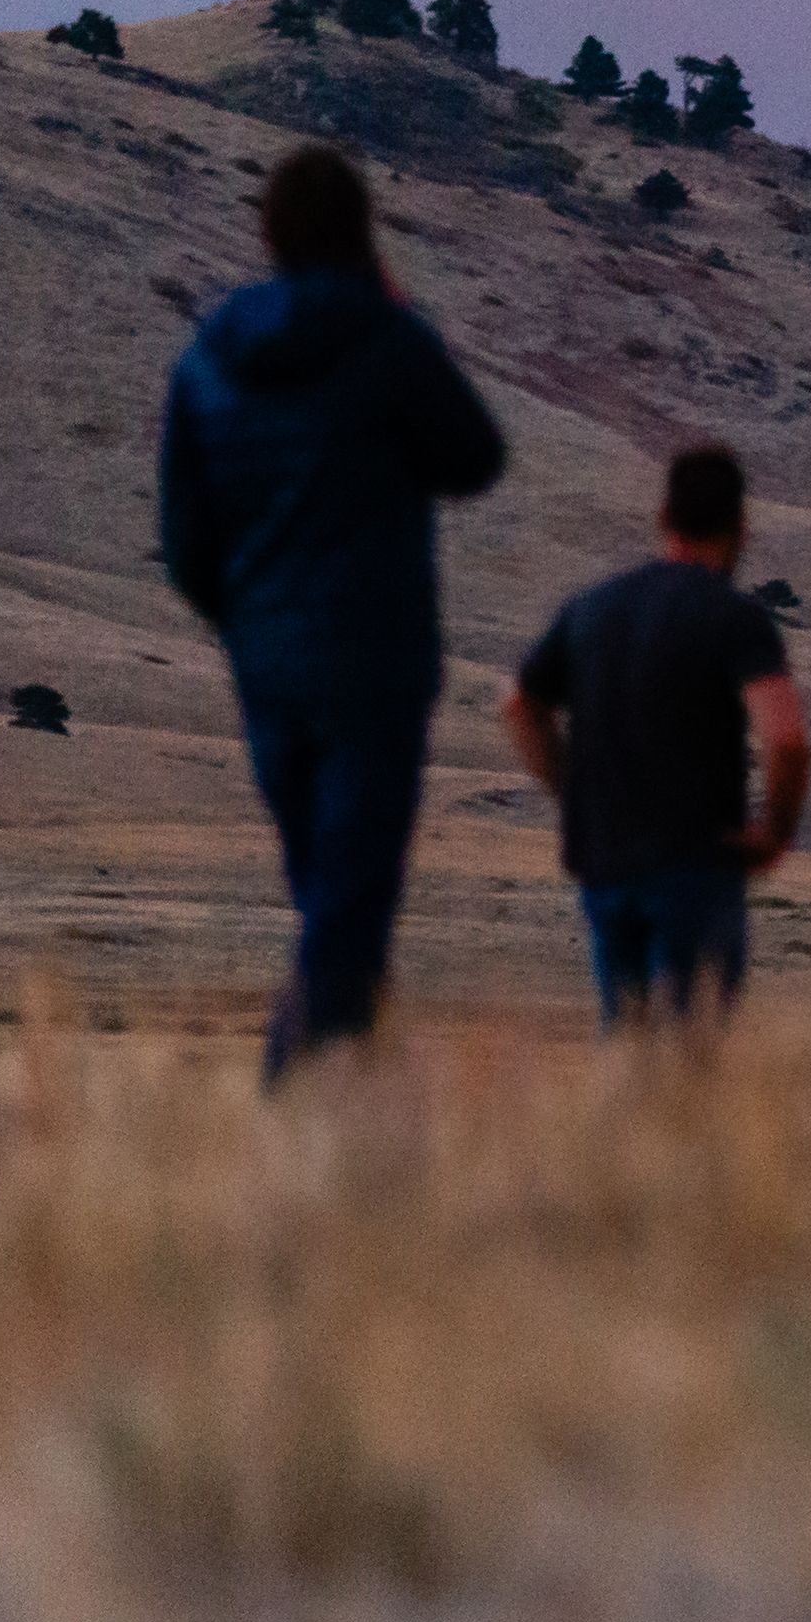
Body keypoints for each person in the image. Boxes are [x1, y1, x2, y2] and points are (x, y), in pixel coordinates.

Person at [158, 144, 509, 1082]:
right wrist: (398, 312)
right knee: (351, 899)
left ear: (266, 234)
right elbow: (475, 456)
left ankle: (351, 1107)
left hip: (268, 664)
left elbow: (185, 544)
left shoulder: (208, 359)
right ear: (363, 231)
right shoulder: (386, 340)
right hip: (375, 659)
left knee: (326, 889)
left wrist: (247, 622)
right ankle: (298, 1104)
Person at [504, 446, 811, 1025]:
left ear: (664, 516)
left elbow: (521, 705)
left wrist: (574, 795)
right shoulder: (734, 617)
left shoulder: (593, 606)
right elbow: (788, 739)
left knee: (626, 1041)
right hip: (697, 862)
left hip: (608, 862)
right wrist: (773, 832)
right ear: (742, 527)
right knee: (691, 1054)